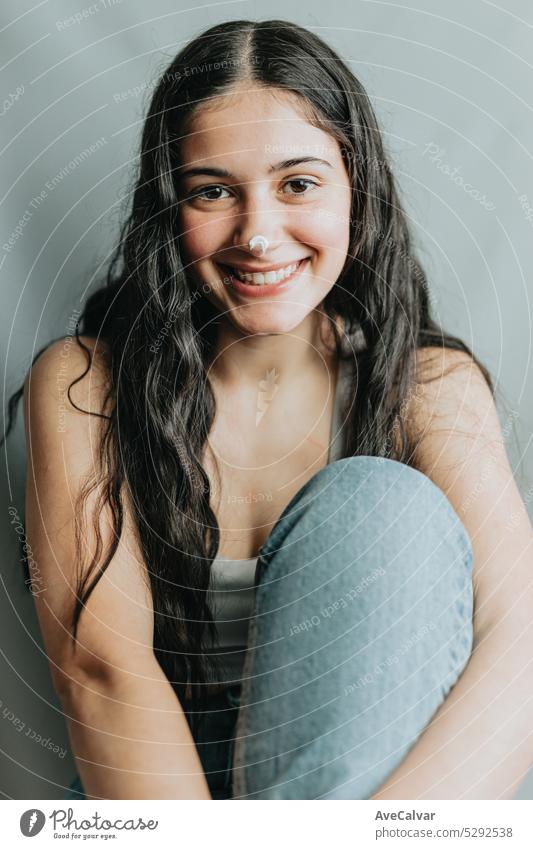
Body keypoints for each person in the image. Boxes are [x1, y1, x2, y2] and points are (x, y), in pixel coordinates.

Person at [3, 19, 532, 800]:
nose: (257, 234)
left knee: (374, 503)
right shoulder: (85, 383)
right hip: (161, 794)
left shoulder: (431, 386)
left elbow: (519, 649)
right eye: (212, 190)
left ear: (357, 186)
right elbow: (100, 669)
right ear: (169, 207)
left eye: (298, 183)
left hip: (384, 791)